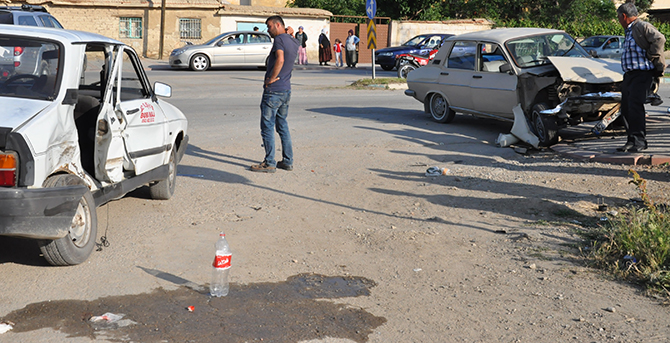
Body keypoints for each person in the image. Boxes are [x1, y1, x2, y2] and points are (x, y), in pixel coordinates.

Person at [250, 15, 299, 173]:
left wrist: (271, 78)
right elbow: (293, 41)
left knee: (267, 126)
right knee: (282, 125)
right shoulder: (293, 40)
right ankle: (287, 160)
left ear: (278, 25)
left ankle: (270, 162)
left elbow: (280, 59)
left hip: (274, 90)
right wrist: (290, 32)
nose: (268, 30)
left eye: (269, 26)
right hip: (286, 89)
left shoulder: (279, 40)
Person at [615, 2, 666, 153]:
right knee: (625, 109)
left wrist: (652, 55)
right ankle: (631, 140)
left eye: (618, 17)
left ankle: (640, 141)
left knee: (635, 107)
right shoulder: (629, 30)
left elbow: (659, 39)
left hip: (642, 74)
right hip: (630, 75)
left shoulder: (642, 26)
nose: (618, 20)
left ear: (624, 16)